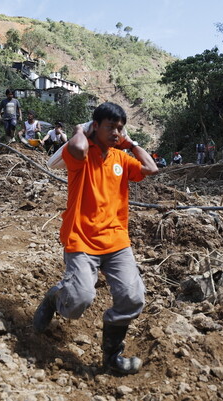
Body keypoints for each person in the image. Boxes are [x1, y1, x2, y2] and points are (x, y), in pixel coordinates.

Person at [33, 102, 158, 375]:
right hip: (81, 239)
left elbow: (151, 168)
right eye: (110, 126)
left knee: (132, 297)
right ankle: (56, 298)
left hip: (116, 242)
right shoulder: (81, 155)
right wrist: (80, 129)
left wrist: (131, 143)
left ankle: (112, 358)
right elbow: (76, 147)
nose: (116, 132)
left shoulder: (122, 159)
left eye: (120, 128)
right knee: (78, 302)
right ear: (96, 126)